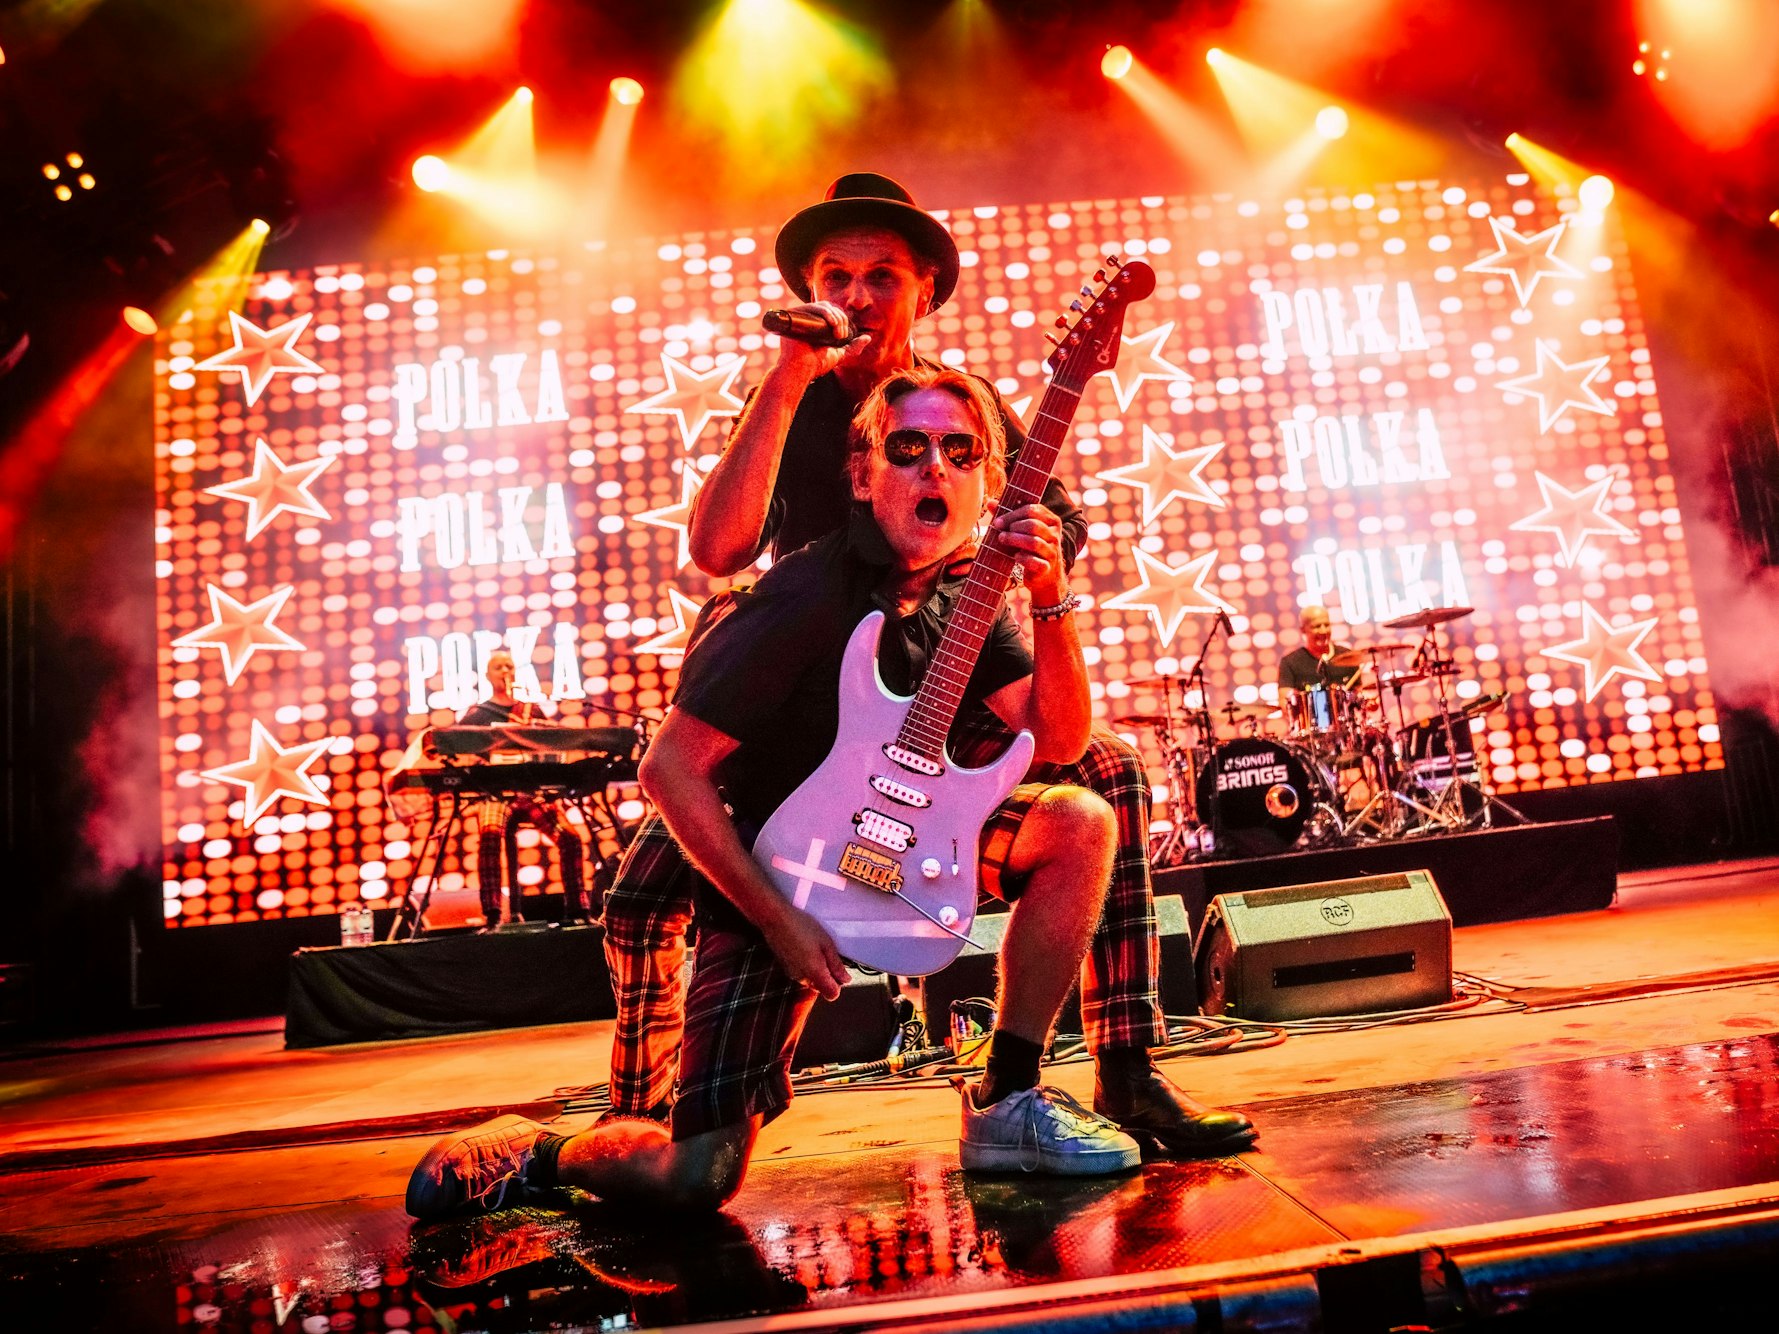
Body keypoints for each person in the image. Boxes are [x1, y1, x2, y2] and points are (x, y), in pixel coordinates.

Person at [603, 172, 1254, 1157]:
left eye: (879, 274)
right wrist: (785, 376)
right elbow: (721, 547)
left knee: (1106, 769)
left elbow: (1053, 533)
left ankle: (1114, 1073)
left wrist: (1014, 577)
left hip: (938, 687)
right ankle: (636, 1110)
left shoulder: (968, 405)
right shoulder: (788, 400)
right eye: (834, 274)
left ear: (925, 289)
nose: (855, 294)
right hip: (798, 715)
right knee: (651, 879)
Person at [407, 366, 1144, 1217]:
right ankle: (544, 1151)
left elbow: (1056, 743)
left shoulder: (969, 598)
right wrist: (777, 920)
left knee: (1078, 821)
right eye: (907, 449)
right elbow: (668, 769)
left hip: (896, 845)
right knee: (694, 1179)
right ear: (864, 477)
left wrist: (1052, 594)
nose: (932, 467)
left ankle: (1009, 1095)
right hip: (771, 871)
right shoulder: (802, 590)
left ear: (987, 478)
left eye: (957, 450)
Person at [454, 649, 586, 926]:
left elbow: (553, 744)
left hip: (532, 793)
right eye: (499, 667)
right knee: (489, 835)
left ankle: (578, 911)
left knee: (570, 837)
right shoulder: (477, 714)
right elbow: (457, 748)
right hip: (495, 793)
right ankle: (492, 914)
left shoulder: (530, 710)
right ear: (488, 676)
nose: (505, 671)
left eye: (509, 666)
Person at [1275, 605, 1362, 694]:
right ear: (1303, 630)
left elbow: (1358, 693)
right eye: (1317, 626)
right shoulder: (1290, 663)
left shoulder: (1349, 656)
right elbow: (1285, 701)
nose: (1323, 631)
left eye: (1327, 625)